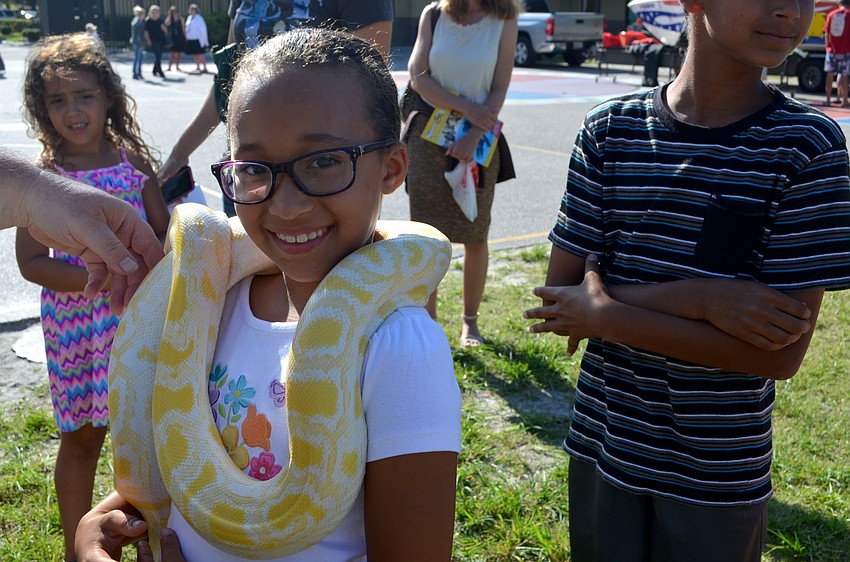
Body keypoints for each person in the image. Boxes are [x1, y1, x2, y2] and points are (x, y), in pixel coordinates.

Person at [76, 28, 461, 562]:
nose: (285, 206)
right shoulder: (212, 300)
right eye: (254, 170)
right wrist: (103, 519)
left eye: (324, 161)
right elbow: (178, 462)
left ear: (392, 169)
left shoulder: (398, 346)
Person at [524, 1, 850, 561]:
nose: (789, 11)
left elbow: (780, 356)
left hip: (718, 475)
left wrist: (606, 314)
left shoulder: (807, 147)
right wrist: (700, 299)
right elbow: (561, 303)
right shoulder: (609, 130)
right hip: (605, 447)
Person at [16, 33, 170, 562]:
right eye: (56, 100)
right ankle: (74, 548)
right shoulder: (43, 179)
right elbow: (30, 263)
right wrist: (97, 277)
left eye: (82, 95)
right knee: (83, 436)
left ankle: (153, 539)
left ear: (108, 97)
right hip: (76, 329)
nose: (72, 110)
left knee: (146, 439)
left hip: (136, 326)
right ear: (42, 109)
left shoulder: (133, 165)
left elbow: (165, 238)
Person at [158, 0, 394, 216]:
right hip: (251, 171)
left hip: (325, 177)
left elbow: (369, 93)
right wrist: (179, 154)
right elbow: (229, 86)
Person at [405, 0, 519, 347]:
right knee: (426, 234)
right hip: (428, 134)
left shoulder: (505, 18)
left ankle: (470, 324)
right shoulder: (434, 14)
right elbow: (418, 76)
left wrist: (473, 134)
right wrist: (467, 108)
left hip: (479, 138)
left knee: (475, 233)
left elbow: (499, 87)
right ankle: (430, 321)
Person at [0, 147, 164, 314]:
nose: (73, 118)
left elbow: (163, 230)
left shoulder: (134, 162)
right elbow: (31, 264)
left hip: (135, 304)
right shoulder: (43, 173)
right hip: (71, 315)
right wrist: (111, 278)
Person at [824, 0, 850, 106]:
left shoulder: (831, 15)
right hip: (845, 51)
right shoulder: (849, 15)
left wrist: (827, 48)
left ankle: (828, 99)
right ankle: (844, 100)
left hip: (831, 51)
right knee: (844, 75)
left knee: (830, 74)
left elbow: (827, 33)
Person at [183, 3, 209, 74]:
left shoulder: (199, 18)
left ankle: (204, 67)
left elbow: (203, 29)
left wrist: (204, 40)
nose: (192, 11)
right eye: (191, 9)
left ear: (196, 10)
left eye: (193, 9)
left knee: (200, 53)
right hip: (191, 39)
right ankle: (198, 67)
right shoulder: (189, 18)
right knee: (195, 54)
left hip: (198, 39)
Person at [144, 5, 167, 79]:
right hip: (153, 40)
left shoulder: (160, 20)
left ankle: (154, 70)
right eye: (154, 12)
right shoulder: (148, 21)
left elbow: (165, 30)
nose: (156, 14)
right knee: (158, 56)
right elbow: (146, 32)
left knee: (159, 56)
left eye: (157, 12)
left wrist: (163, 28)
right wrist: (148, 40)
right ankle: (160, 71)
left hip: (160, 40)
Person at [165, 5, 186, 72]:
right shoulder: (170, 19)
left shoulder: (181, 19)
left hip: (179, 37)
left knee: (179, 53)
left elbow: (183, 29)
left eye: (175, 11)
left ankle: (177, 66)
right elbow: (166, 24)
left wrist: (185, 37)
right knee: (172, 53)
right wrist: (169, 16)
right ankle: (169, 67)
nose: (174, 13)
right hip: (172, 38)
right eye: (172, 12)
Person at [130, 6, 147, 80]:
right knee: (137, 58)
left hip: (136, 42)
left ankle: (138, 72)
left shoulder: (137, 21)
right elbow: (139, 35)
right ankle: (136, 73)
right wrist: (142, 44)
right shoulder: (138, 23)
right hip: (138, 43)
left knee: (139, 58)